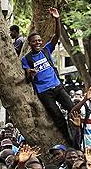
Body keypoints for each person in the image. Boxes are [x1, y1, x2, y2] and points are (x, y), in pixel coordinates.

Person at [22, 8, 74, 141]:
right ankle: (68, 140)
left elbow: (56, 36)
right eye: (35, 41)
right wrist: (31, 73)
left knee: (73, 109)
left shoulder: (46, 50)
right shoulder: (26, 59)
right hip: (44, 93)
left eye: (39, 40)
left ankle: (79, 133)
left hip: (57, 86)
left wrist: (57, 19)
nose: (38, 43)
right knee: (58, 117)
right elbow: (27, 77)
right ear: (30, 43)